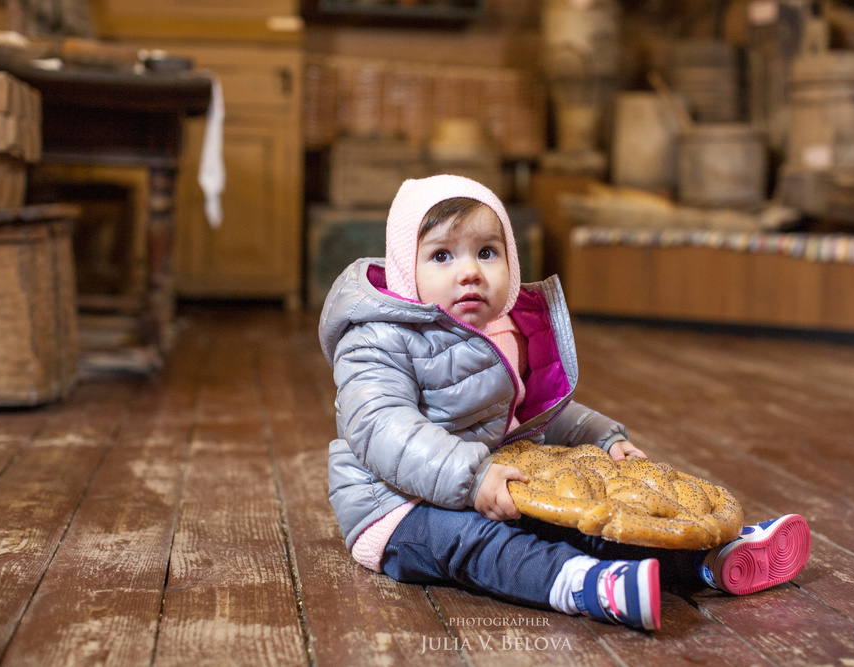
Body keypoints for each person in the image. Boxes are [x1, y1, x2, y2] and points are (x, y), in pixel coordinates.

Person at [319, 174, 811, 631]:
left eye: (487, 252)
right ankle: (583, 585)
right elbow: (382, 427)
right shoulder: (375, 339)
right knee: (481, 543)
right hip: (394, 506)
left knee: (575, 515)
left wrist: (602, 438)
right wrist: (472, 478)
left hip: (486, 479)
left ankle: (706, 560)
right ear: (407, 270)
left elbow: (534, 412)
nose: (469, 272)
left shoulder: (499, 331)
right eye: (443, 256)